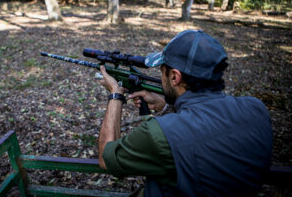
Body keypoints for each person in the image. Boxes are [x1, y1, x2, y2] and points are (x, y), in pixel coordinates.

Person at [98, 29, 272, 196]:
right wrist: (165, 107)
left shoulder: (159, 133)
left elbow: (107, 159)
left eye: (162, 71)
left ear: (175, 77)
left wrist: (115, 94)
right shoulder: (256, 110)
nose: (161, 77)